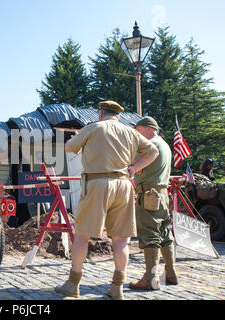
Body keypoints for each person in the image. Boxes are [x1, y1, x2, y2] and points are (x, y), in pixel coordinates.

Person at [55, 101, 159, 300]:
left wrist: (78, 138)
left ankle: (73, 284)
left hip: (97, 183)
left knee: (83, 235)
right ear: (118, 115)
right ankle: (117, 287)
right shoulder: (130, 132)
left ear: (100, 113)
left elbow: (69, 148)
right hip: (123, 184)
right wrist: (134, 168)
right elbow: (153, 151)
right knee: (121, 240)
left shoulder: (93, 127)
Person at [129, 116, 178, 291]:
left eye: (138, 131)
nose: (137, 134)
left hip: (148, 194)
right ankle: (170, 273)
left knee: (149, 235)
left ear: (147, 129)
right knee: (164, 233)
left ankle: (150, 278)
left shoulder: (150, 146)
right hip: (163, 195)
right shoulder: (164, 145)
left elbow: (135, 166)